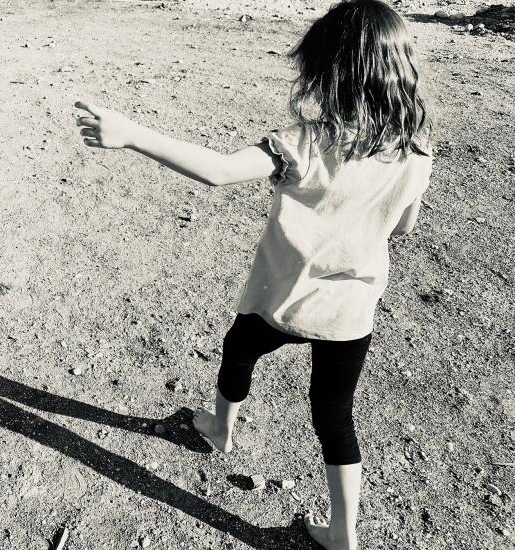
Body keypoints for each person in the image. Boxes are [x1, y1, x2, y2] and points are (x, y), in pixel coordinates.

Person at [74, 1, 432, 548]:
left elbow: (218, 171)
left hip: (281, 300)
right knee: (334, 417)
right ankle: (344, 536)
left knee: (238, 349)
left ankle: (219, 430)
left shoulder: (305, 143)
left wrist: (131, 134)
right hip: (349, 314)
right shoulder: (417, 152)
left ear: (330, 72)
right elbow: (402, 228)